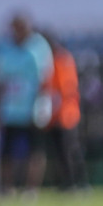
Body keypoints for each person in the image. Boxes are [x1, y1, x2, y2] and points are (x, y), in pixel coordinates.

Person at [0, 13, 53, 196]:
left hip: (32, 107)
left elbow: (45, 78)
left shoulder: (39, 46)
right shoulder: (5, 47)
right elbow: (1, 78)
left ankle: (31, 189)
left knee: (35, 150)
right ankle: (7, 187)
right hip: (10, 109)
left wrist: (42, 106)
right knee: (7, 152)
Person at [44, 32, 86, 192]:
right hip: (55, 115)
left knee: (71, 149)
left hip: (67, 114)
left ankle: (79, 182)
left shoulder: (63, 59)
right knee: (60, 152)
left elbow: (66, 87)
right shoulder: (50, 60)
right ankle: (67, 182)